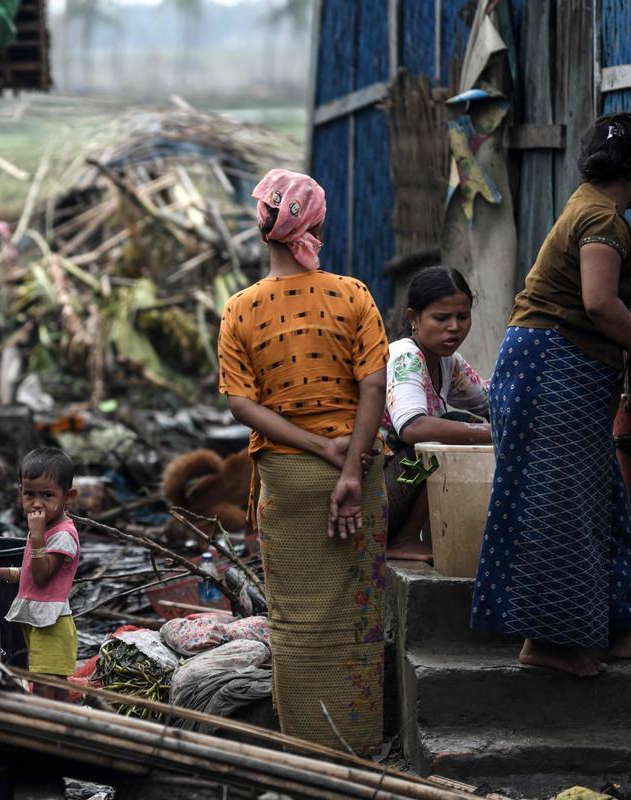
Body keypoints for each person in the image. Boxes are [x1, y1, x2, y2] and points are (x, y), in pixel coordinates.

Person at [471, 112, 631, 676]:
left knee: (602, 501)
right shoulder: (601, 218)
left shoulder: (587, 205)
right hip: (553, 370)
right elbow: (599, 303)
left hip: (547, 369)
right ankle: (546, 645)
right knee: (559, 508)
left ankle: (624, 628)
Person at [217, 168, 389, 756]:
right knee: (358, 613)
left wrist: (316, 449)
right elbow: (373, 387)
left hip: (287, 479)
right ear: (312, 225)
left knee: (295, 622)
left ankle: (306, 760)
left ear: (263, 225)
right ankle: (359, 750)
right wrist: (348, 471)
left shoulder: (240, 309)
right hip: (361, 466)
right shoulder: (353, 294)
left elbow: (241, 403)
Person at [380, 266, 491, 562]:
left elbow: (489, 402)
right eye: (441, 318)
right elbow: (412, 428)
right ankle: (403, 539)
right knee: (451, 434)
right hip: (375, 497)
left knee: (461, 427)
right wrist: (486, 433)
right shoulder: (405, 356)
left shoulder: (447, 362)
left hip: (394, 489)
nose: (454, 327)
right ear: (413, 319)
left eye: (462, 317)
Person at [0, 447, 80, 700]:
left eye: (47, 495)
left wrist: (39, 536)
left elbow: (42, 575)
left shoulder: (62, 535)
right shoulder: (43, 532)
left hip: (52, 622)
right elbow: (32, 573)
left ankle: (53, 727)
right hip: (37, 619)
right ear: (19, 492)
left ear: (68, 496)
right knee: (48, 681)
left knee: (47, 685)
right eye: (29, 494)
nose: (36, 503)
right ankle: (56, 728)